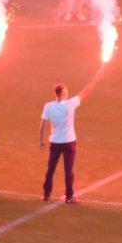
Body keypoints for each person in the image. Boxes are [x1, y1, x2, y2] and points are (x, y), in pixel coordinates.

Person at [38, 65, 106, 203]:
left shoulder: (49, 106)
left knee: (50, 169)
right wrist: (97, 78)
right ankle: (69, 197)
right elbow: (85, 91)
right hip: (69, 142)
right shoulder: (70, 104)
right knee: (68, 170)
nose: (68, 92)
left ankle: (46, 194)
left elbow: (43, 124)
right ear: (62, 93)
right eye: (66, 91)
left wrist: (41, 140)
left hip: (55, 143)